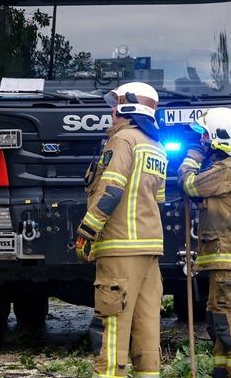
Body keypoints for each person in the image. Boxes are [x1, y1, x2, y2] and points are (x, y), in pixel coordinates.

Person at [75, 81, 166, 378]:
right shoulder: (156, 146)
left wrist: (86, 232)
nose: (111, 112)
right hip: (150, 249)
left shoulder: (123, 141)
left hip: (120, 247)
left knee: (112, 325)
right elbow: (159, 199)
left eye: (116, 105)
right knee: (147, 325)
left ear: (129, 108)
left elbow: (111, 190)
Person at [177, 108, 231, 378]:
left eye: (204, 136)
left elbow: (188, 185)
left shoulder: (225, 170)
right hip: (228, 258)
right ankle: (223, 370)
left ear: (218, 138)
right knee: (219, 318)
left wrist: (191, 157)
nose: (200, 141)